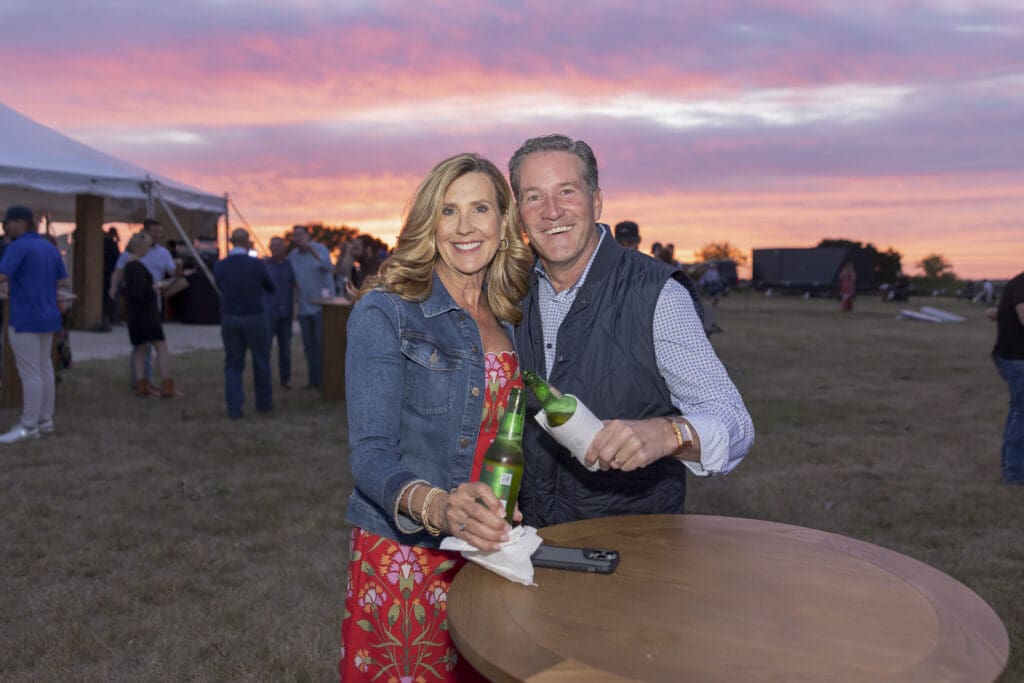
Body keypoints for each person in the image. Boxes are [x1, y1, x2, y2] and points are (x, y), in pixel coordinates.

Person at [339, 153, 532, 681]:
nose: (466, 227)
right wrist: (437, 506)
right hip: (410, 550)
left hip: (493, 547)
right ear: (430, 222)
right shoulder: (387, 310)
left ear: (503, 222)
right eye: (449, 211)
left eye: (480, 209)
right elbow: (370, 454)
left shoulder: (516, 311)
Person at [508, 134, 754, 528]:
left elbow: (735, 424)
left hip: (632, 548)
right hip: (530, 546)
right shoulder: (510, 295)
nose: (551, 212)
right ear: (519, 211)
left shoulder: (655, 293)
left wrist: (667, 434)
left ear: (597, 200)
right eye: (534, 197)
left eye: (566, 191)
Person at [0, 205, 69, 442]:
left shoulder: (17, 246)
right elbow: (62, 280)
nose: (5, 226)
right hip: (48, 315)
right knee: (44, 368)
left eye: (8, 222)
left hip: (25, 316)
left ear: (21, 222)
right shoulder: (48, 247)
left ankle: (29, 426)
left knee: (30, 373)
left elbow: (2, 275)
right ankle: (45, 420)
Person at [109, 219, 178, 389]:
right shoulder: (136, 265)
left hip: (139, 308)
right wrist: (157, 286)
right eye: (154, 232)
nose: (157, 236)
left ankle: (142, 383)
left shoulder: (158, 254)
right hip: (146, 308)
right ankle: (155, 383)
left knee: (141, 347)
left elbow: (172, 271)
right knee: (155, 346)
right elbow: (141, 289)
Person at [214, 228, 276, 419]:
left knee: (233, 364)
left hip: (230, 317)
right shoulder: (257, 264)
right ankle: (264, 403)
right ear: (248, 241)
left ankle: (234, 408)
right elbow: (270, 286)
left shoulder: (221, 265)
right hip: (255, 316)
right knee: (261, 360)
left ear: (231, 241)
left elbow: (219, 285)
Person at [988, 271, 1024, 485]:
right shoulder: (1022, 283)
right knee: (1022, 414)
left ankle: (1013, 467)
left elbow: (997, 313)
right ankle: (1015, 473)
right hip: (1016, 359)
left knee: (1019, 411)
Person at [287, 224, 334, 388]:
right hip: (303, 308)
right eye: (295, 235)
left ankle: (325, 381)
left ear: (308, 236)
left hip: (321, 306)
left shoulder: (320, 249)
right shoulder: (292, 256)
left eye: (301, 234)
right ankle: (313, 381)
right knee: (309, 346)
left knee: (322, 345)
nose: (298, 238)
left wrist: (312, 252)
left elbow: (329, 267)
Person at [264, 236, 295, 390]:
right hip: (269, 314)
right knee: (266, 348)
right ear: (269, 248)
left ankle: (285, 379)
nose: (275, 248)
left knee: (285, 349)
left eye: (279, 246)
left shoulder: (290, 266)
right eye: (273, 245)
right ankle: (265, 380)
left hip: (286, 315)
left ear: (284, 248)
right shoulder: (264, 266)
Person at [102, 227, 121, 328]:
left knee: (105, 298)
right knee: (113, 297)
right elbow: (117, 258)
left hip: (104, 273)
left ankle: (105, 318)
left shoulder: (102, 243)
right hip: (111, 272)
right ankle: (112, 318)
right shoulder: (112, 243)